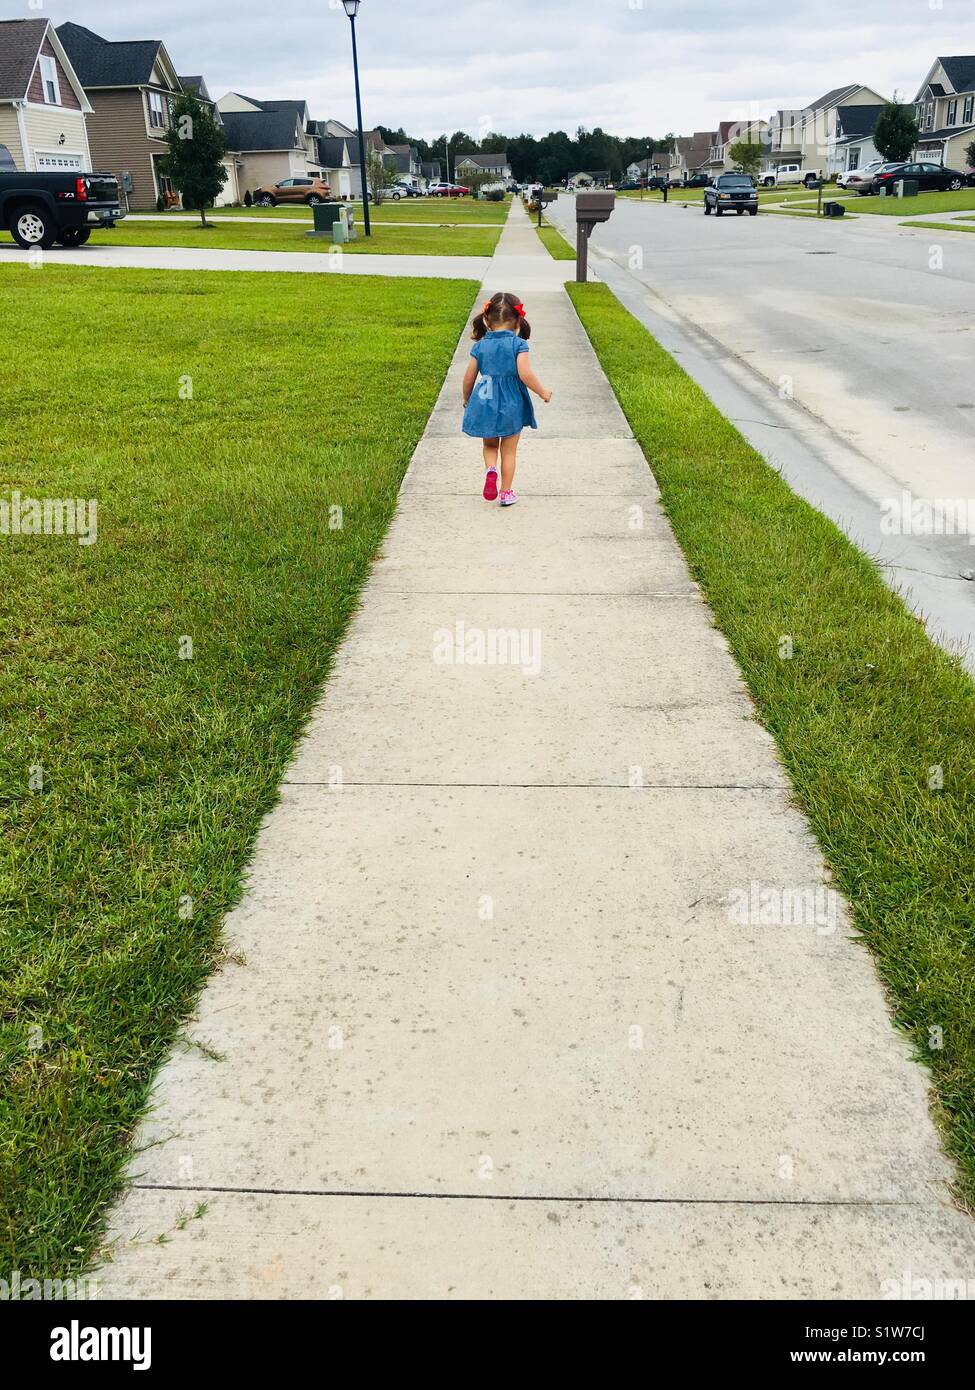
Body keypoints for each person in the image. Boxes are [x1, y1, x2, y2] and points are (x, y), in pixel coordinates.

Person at [461, 292, 552, 507]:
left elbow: (468, 378)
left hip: (486, 399)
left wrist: (467, 399)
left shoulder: (480, 346)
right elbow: (525, 374)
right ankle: (506, 492)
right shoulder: (518, 345)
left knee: (490, 445)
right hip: (511, 402)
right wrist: (542, 392)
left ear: (487, 320)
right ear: (517, 321)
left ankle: (490, 470)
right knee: (509, 451)